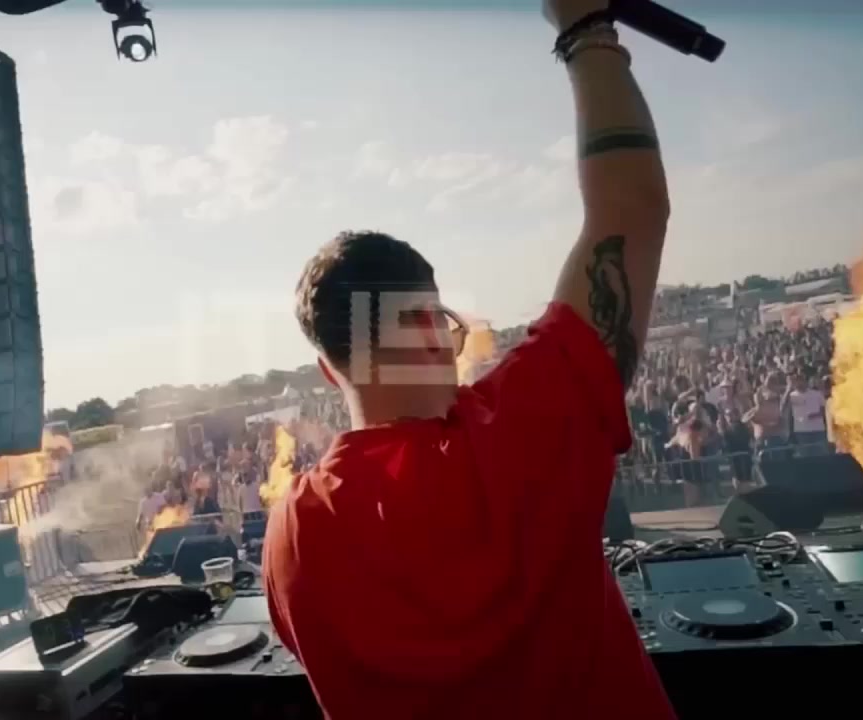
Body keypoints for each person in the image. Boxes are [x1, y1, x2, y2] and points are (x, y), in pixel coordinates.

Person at [262, 0, 674, 716]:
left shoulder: (290, 534)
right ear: (429, 327)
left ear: (330, 368)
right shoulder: (521, 431)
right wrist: (585, 27)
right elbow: (633, 209)